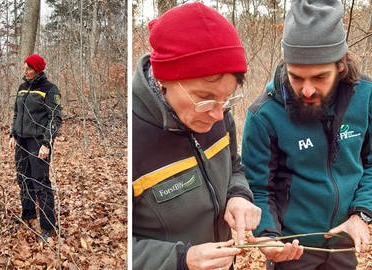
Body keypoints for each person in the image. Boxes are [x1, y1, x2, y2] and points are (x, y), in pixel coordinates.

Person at [132, 3, 269, 269]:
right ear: (165, 80)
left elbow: (234, 166)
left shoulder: (217, 113)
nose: (218, 114)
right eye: (205, 99)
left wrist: (239, 195)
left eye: (226, 99)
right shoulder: (135, 138)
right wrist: (181, 260)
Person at [242, 0, 372, 269]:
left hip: (343, 238)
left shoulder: (366, 97)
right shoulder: (264, 115)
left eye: (319, 77)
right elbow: (259, 188)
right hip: (292, 247)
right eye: (296, 77)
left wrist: (362, 214)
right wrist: (267, 236)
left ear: (341, 64)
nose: (307, 90)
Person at [9, 53, 62, 241]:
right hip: (21, 141)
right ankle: (28, 216)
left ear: (38, 69)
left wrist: (47, 143)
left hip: (38, 142)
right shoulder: (22, 87)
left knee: (40, 182)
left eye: (29, 68)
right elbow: (16, 113)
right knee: (23, 179)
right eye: (25, 67)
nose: (26, 71)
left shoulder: (50, 89)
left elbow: (55, 118)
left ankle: (48, 227)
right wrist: (13, 134)